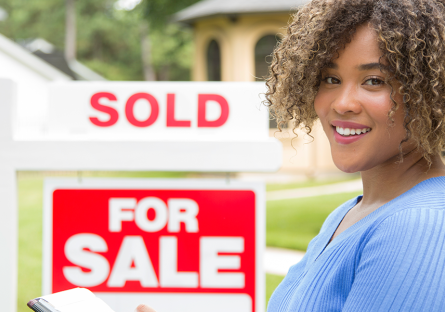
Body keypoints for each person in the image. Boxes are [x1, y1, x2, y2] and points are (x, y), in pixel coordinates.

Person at [136, 0, 445, 311]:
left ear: (430, 93)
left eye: (374, 81)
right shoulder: (350, 213)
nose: (342, 103)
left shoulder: (420, 225)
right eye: (330, 79)